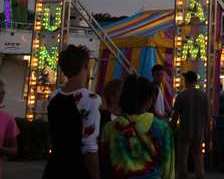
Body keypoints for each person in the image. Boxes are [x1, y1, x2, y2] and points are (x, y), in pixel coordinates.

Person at [44, 44, 101, 179]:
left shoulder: (54, 97)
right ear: (84, 67)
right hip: (77, 168)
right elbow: (89, 146)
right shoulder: (91, 99)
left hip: (54, 167)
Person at [101, 74, 174, 179]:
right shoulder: (162, 128)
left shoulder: (109, 128)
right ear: (148, 101)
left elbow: (105, 165)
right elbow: (168, 167)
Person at [171, 71, 208, 179]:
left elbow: (175, 117)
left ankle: (183, 176)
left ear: (186, 81)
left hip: (184, 131)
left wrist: (171, 128)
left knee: (183, 158)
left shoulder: (181, 96)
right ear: (195, 81)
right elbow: (207, 116)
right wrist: (207, 132)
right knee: (198, 158)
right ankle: (200, 175)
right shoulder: (203, 96)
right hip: (198, 131)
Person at [0, 79, 20, 175]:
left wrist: (1, 149)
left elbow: (14, 150)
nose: (1, 95)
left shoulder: (8, 119)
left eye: (3, 92)